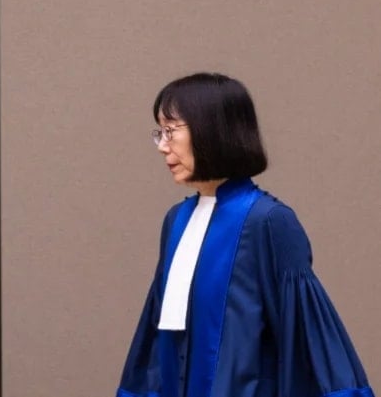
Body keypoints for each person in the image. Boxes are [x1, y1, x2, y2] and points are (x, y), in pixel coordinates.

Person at [116, 73, 374, 397]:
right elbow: (157, 340)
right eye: (159, 133)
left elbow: (307, 338)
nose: (162, 146)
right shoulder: (176, 221)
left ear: (212, 130)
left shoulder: (268, 221)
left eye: (171, 130)